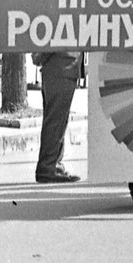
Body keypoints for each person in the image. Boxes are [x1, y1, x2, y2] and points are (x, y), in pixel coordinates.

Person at [33, 51, 82, 184]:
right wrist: (39, 56)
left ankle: (54, 164)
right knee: (56, 121)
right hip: (61, 68)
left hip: (60, 68)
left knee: (58, 121)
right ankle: (48, 168)